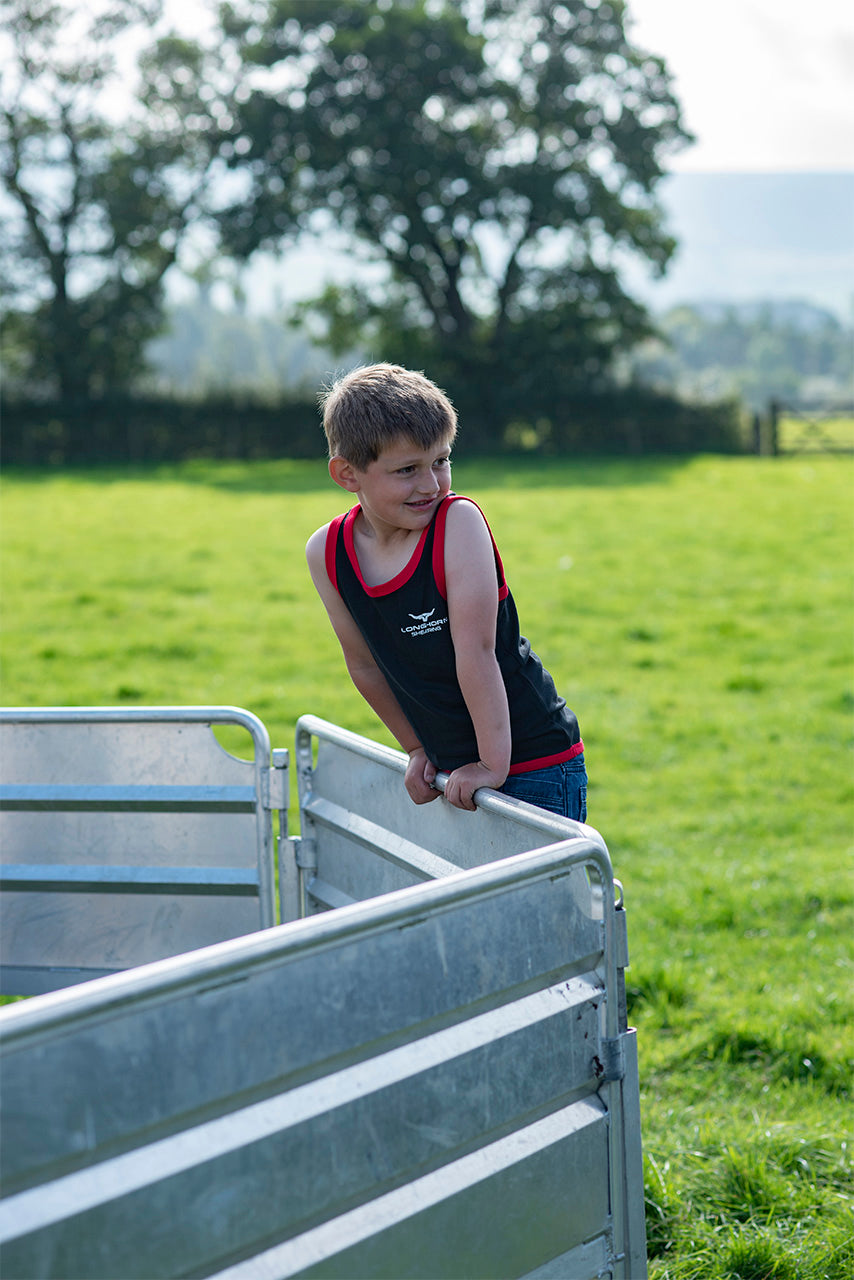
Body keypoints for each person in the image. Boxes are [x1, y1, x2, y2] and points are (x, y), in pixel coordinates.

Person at [305, 362, 587, 820]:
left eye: (441, 461)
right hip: (453, 769)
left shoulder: (457, 524)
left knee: (536, 896)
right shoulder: (327, 552)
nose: (431, 484)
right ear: (347, 474)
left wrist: (491, 765)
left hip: (530, 762)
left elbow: (476, 651)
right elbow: (364, 664)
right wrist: (416, 746)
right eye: (407, 470)